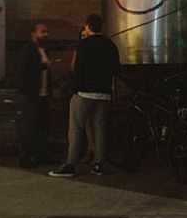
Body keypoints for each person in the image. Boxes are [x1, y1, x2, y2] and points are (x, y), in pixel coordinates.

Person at [49, 13, 120, 178]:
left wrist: (75, 89)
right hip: (103, 93)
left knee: (75, 128)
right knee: (100, 129)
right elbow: (116, 69)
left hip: (84, 92)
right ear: (101, 26)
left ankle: (70, 164)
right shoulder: (110, 45)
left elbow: (78, 70)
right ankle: (99, 164)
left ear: (88, 26)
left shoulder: (84, 45)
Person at [16, 24, 55, 168]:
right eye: (42, 32)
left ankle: (41, 155)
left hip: (43, 95)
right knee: (29, 127)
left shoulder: (45, 50)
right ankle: (25, 158)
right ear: (33, 34)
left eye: (47, 31)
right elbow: (23, 71)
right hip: (31, 95)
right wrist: (43, 66)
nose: (46, 34)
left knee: (43, 126)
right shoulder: (28, 50)